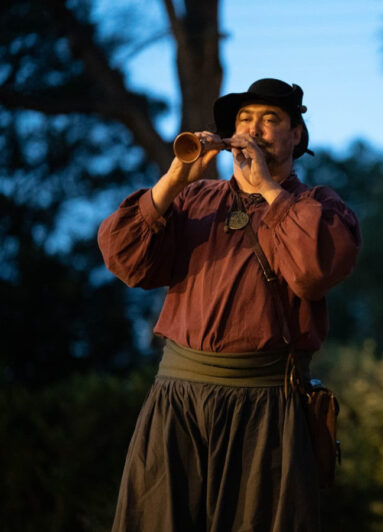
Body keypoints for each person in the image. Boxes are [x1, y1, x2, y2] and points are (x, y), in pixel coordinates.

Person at [98, 78, 361, 531]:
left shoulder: (319, 206)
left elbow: (314, 271)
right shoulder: (195, 199)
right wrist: (176, 178)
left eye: (269, 119)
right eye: (244, 120)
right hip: (177, 403)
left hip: (266, 408)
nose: (253, 129)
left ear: (296, 134)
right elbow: (124, 260)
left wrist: (267, 189)